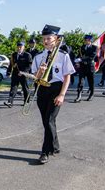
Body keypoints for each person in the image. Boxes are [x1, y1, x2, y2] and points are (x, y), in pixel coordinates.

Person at [31, 25, 75, 164]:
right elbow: (35, 77)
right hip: (42, 89)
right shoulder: (38, 56)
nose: (46, 41)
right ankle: (55, 146)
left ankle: (45, 152)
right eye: (44, 38)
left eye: (49, 38)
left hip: (56, 88)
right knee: (47, 121)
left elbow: (67, 77)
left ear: (56, 39)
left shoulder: (63, 55)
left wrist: (62, 95)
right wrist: (40, 71)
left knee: (49, 119)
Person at [3, 41, 32, 108]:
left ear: (23, 47)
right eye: (18, 47)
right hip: (15, 74)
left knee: (25, 88)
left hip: (24, 75)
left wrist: (23, 72)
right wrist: (9, 72)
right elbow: (11, 64)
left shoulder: (27, 55)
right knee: (13, 88)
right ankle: (10, 102)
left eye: (20, 47)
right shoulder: (14, 54)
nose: (19, 48)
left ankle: (26, 101)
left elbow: (29, 65)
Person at [75, 35, 97, 102]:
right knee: (80, 81)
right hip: (82, 67)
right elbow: (79, 55)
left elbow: (92, 57)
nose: (85, 41)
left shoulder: (94, 47)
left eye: (87, 40)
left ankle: (91, 94)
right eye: (85, 40)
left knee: (91, 82)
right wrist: (77, 61)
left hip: (90, 67)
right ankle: (79, 95)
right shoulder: (82, 47)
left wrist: (81, 59)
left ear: (90, 40)